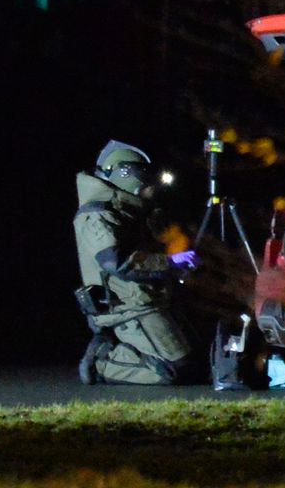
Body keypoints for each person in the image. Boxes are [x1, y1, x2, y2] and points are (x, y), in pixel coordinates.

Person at [73, 140, 201, 385]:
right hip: (126, 307)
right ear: (125, 173)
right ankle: (102, 361)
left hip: (147, 300)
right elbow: (118, 262)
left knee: (195, 363)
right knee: (171, 369)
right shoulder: (98, 214)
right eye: (144, 175)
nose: (150, 184)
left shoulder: (130, 210)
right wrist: (171, 263)